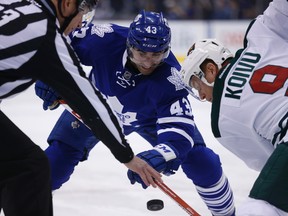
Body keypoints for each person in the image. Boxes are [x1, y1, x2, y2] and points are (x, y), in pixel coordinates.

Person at [35, 10, 236, 216]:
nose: (148, 63)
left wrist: (159, 155)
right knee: (56, 162)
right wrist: (50, 72)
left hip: (150, 119)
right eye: (142, 54)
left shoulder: (172, 79)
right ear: (129, 45)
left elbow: (180, 132)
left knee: (202, 161)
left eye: (156, 54)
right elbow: (61, 43)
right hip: (94, 108)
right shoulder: (105, 39)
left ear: (166, 50)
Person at [0, 1, 162, 215]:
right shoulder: (46, 34)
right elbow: (89, 103)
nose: (79, 25)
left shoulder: (12, 3)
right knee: (30, 168)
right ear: (67, 4)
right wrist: (127, 156)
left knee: (21, 164)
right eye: (82, 13)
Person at [179, 0, 288, 215]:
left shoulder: (222, 120)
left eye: (196, 84)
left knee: (261, 207)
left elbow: (270, 163)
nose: (200, 95)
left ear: (210, 70)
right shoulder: (260, 35)